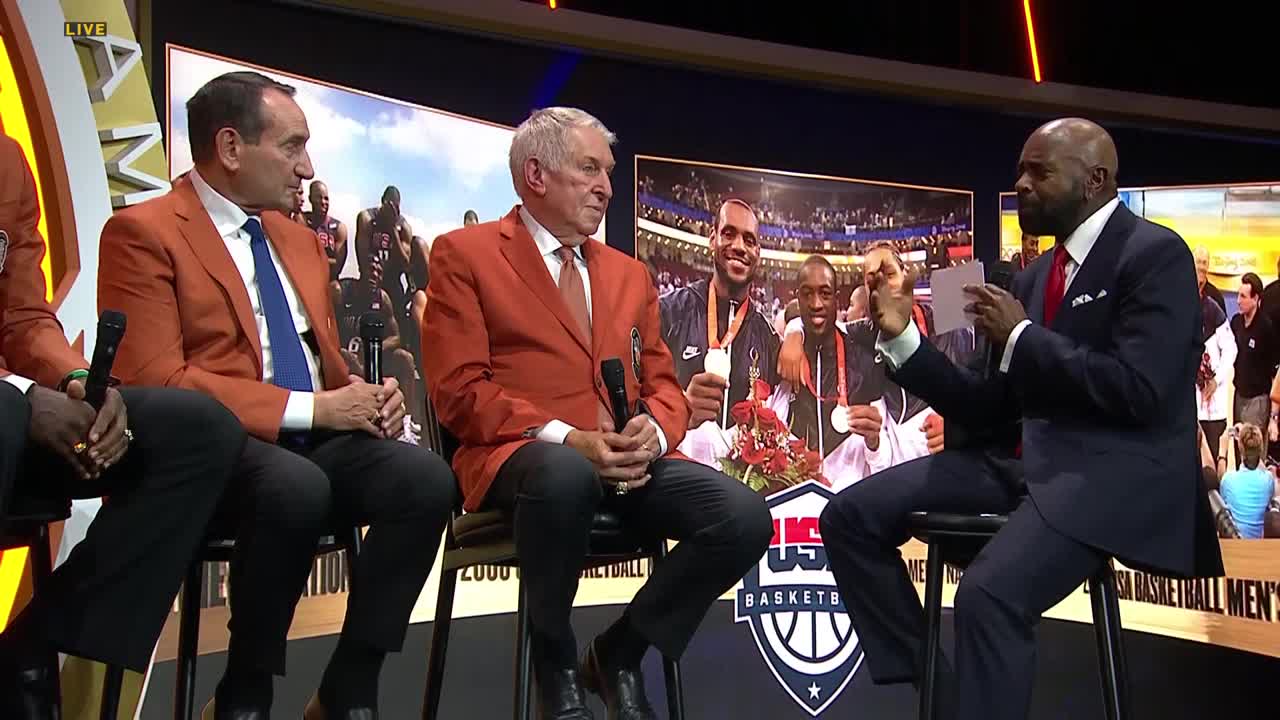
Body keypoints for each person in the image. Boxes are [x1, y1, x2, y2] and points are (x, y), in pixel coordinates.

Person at [818, 118, 1223, 720]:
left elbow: (1140, 392)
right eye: (1019, 170)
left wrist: (1025, 336)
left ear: (1095, 180)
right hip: (1016, 465)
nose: (1021, 184)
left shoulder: (1155, 255)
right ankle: (945, 697)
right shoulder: (1034, 278)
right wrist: (904, 339)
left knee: (987, 596)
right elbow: (989, 406)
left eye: (1039, 171)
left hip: (1106, 478)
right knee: (846, 518)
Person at [96, 71, 457, 720]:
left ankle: (350, 689)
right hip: (211, 453)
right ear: (231, 148)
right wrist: (317, 409)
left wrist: (361, 392)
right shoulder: (143, 233)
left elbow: (318, 357)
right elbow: (159, 383)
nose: (308, 167)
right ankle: (246, 692)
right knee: (294, 486)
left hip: (309, 443)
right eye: (291, 147)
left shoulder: (295, 239)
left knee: (425, 480)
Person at [422, 106, 772, 720]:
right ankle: (553, 666)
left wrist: (656, 430)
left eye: (607, 172)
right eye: (589, 169)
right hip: (518, 458)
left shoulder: (629, 275)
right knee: (565, 475)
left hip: (623, 461)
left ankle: (618, 651)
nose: (607, 187)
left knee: (742, 517)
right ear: (536, 174)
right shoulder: (465, 255)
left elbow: (664, 386)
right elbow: (459, 390)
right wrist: (566, 438)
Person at [0, 134, 246, 719]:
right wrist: (22, 393)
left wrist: (77, 382)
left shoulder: (6, 158)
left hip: (16, 407)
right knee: (8, 414)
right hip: (8, 409)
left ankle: (36, 647)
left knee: (199, 430)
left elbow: (23, 317)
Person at [778, 242, 975, 463]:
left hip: (949, 462)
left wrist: (957, 427)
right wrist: (793, 332)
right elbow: (822, 323)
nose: (881, 286)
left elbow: (986, 393)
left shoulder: (947, 318)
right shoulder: (863, 333)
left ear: (905, 274)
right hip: (898, 472)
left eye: (889, 274)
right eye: (872, 281)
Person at [657, 198, 781, 467]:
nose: (739, 246)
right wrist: (681, 408)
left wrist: (796, 330)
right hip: (676, 484)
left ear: (758, 252)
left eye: (749, 240)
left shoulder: (769, 339)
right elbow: (637, 399)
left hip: (742, 491)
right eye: (729, 233)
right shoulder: (668, 313)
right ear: (711, 239)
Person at [774, 255, 889, 489]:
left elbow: (884, 465)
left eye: (825, 294)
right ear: (798, 298)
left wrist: (874, 441)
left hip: (847, 508)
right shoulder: (783, 360)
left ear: (836, 300)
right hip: (797, 506)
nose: (816, 304)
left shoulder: (864, 360)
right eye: (807, 294)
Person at [330, 277, 420, 442]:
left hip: (371, 355)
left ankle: (407, 423)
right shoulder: (341, 292)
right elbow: (327, 332)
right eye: (371, 264)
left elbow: (396, 336)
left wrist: (375, 347)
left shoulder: (382, 298)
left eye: (379, 267)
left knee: (405, 358)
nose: (375, 270)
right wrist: (345, 355)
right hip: (345, 355)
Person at [1229, 273, 1279, 465]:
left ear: (1256, 299)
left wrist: (1273, 416)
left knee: (1254, 455)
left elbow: (1276, 371)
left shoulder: (1266, 329)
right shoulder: (1235, 323)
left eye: (1243, 296)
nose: (1238, 301)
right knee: (1238, 447)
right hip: (1239, 396)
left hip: (1258, 402)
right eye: (1238, 295)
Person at [355, 185, 414, 314]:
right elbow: (362, 260)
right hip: (371, 278)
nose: (392, 210)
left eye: (396, 207)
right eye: (389, 205)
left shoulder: (403, 227)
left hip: (393, 282)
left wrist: (392, 229)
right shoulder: (367, 219)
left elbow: (406, 264)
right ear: (382, 201)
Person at [1215, 424, 1274, 538]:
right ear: (1261, 449)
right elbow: (1259, 464)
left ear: (1240, 448)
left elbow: (1220, 479)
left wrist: (1222, 451)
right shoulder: (1268, 480)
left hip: (1236, 542)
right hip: (1260, 545)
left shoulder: (1229, 480)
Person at [1198, 284, 1235, 459]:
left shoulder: (1213, 309)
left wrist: (1216, 379)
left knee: (1214, 456)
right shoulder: (1179, 311)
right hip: (1191, 407)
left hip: (1215, 410)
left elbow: (1231, 349)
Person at [306, 180, 348, 283]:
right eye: (319, 197)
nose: (323, 202)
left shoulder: (339, 228)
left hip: (328, 281)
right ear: (310, 199)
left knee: (336, 288)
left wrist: (315, 259)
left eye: (326, 198)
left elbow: (337, 266)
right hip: (306, 276)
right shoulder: (303, 220)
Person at [1193, 245, 1226, 312]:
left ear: (1208, 266)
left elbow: (1223, 322)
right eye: (1198, 262)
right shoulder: (1182, 292)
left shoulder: (1216, 296)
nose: (1202, 267)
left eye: (1204, 263)